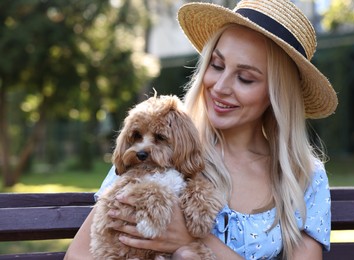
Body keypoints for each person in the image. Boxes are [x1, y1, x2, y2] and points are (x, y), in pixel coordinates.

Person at [64, 0, 338, 259]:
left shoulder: (304, 175)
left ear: (277, 95)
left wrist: (194, 240)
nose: (220, 87)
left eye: (245, 78)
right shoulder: (163, 149)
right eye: (216, 65)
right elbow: (79, 255)